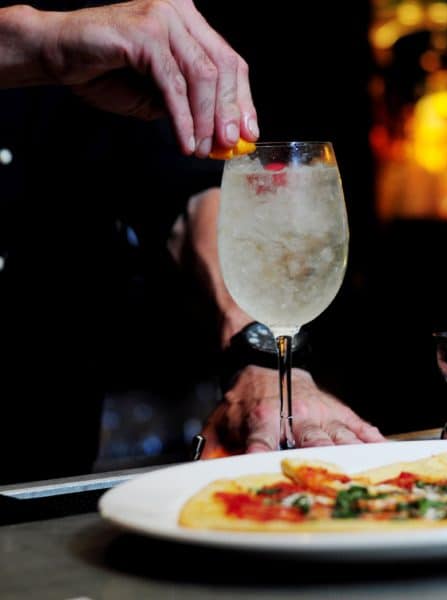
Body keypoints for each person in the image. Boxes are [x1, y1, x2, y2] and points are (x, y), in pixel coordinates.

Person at [0, 0, 384, 484]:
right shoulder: (62, 38)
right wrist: (38, 43)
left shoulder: (103, 66)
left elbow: (185, 193)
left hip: (40, 460)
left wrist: (258, 352)